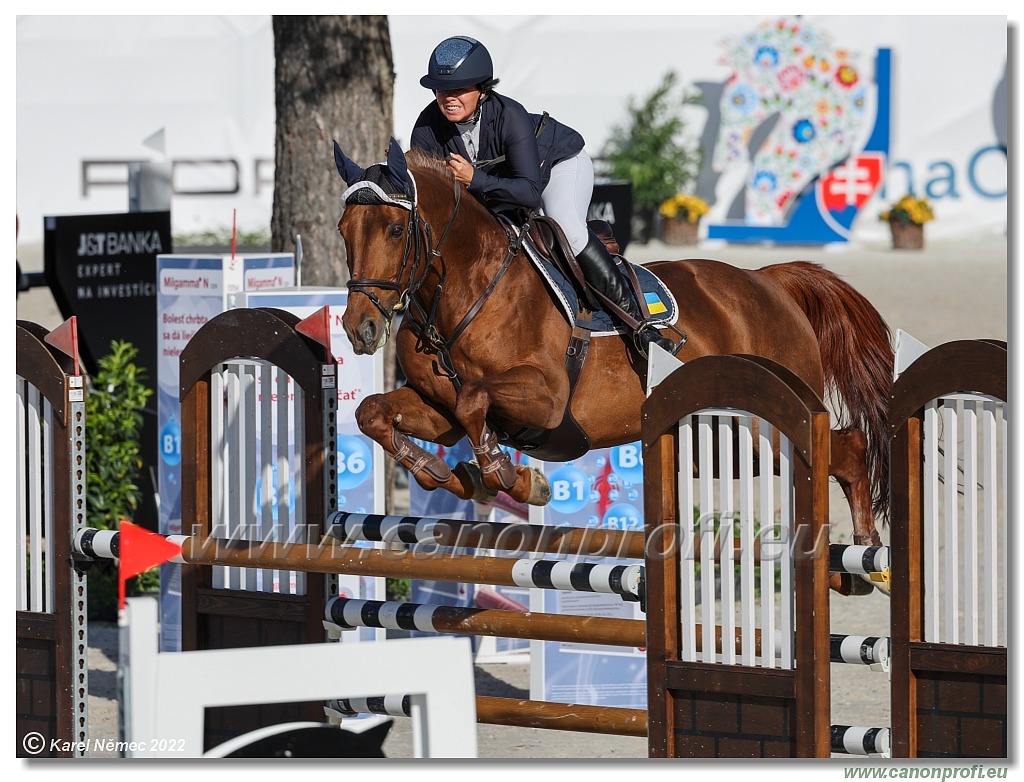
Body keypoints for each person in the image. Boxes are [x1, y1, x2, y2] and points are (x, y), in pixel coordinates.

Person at [410, 35, 675, 358]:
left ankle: (639, 324)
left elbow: (529, 192)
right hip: (499, 189)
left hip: (557, 166)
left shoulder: (510, 115)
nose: (447, 98)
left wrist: (474, 178)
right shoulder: (426, 128)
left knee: (566, 226)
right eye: (440, 90)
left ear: (482, 89)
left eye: (458, 90)